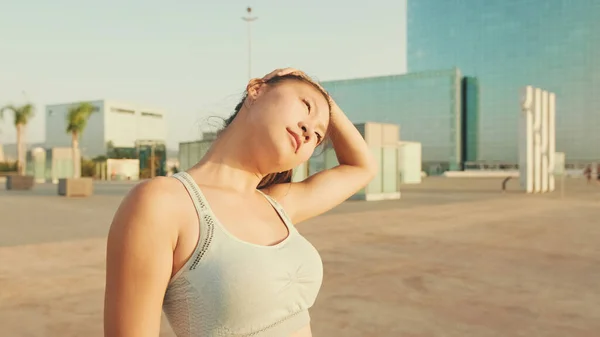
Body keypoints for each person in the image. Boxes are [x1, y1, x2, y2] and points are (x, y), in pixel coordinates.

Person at [103, 68, 377, 337]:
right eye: (305, 105)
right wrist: (319, 97)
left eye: (318, 136)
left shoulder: (277, 204)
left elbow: (362, 168)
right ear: (256, 90)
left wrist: (325, 100)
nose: (309, 131)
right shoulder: (164, 202)